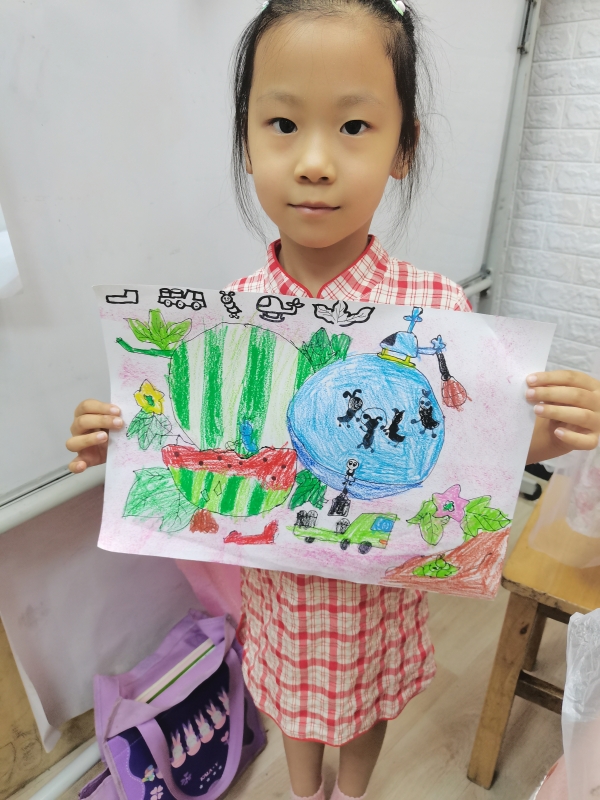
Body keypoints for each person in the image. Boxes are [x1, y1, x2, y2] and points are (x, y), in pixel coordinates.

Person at [65, 2, 600, 799]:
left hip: (377, 590)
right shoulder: (230, 316)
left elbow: (468, 448)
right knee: (291, 701)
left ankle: (349, 793)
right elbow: (194, 435)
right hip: (282, 592)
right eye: (283, 124)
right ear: (247, 141)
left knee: (367, 703)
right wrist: (120, 438)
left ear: (403, 147)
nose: (314, 161)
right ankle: (304, 790)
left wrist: (551, 435)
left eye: (354, 127)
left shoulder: (437, 311)